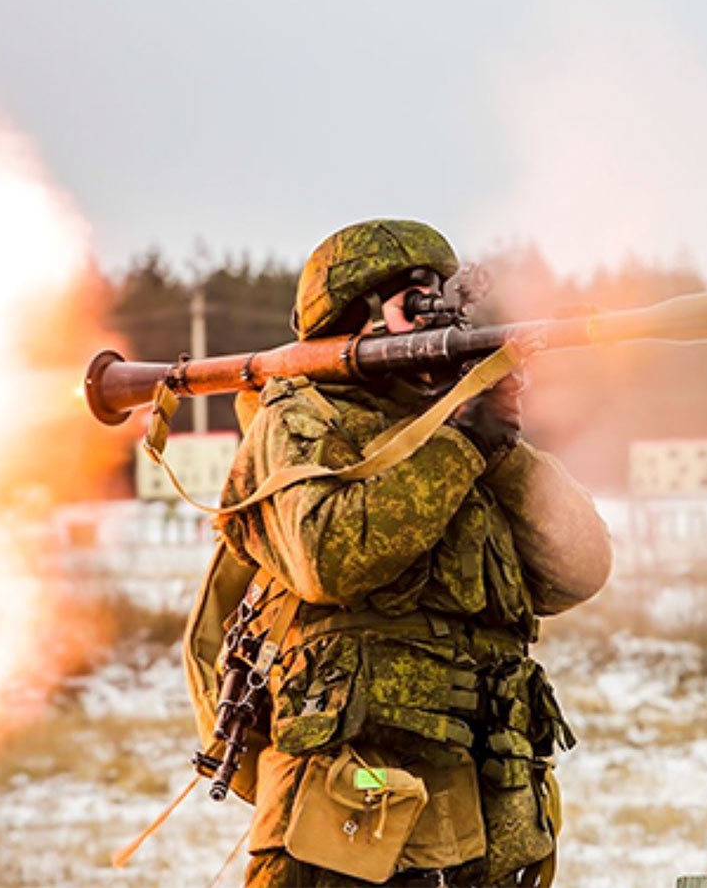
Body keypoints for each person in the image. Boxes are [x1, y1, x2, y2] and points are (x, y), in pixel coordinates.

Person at [216, 219, 613, 887]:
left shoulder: (468, 433)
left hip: (479, 824)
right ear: (353, 316)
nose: (434, 315)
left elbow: (582, 566)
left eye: (439, 297)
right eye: (411, 300)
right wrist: (456, 444)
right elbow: (329, 557)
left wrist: (499, 446)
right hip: (347, 829)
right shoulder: (301, 418)